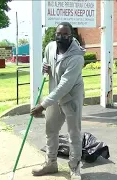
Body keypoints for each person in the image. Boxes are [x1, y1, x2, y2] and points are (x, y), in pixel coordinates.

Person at [30, 22, 85, 180]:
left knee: (73, 133)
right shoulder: (50, 47)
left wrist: (42, 105)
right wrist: (44, 66)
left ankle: (74, 168)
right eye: (58, 34)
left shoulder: (76, 57)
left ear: (71, 36)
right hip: (53, 96)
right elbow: (46, 62)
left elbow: (64, 86)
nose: (60, 38)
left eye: (65, 35)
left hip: (71, 97)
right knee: (51, 130)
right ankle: (51, 163)